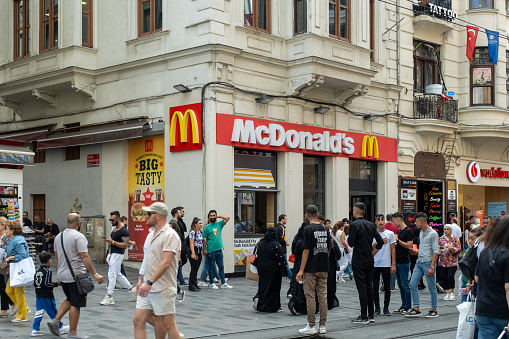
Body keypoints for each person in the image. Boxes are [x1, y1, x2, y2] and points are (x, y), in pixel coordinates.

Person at [48, 213, 104, 339]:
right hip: (76, 274)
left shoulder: (58, 236)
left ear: (67, 222)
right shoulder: (79, 237)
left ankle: (56, 320)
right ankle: (72, 332)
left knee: (70, 298)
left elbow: (56, 257)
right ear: (79, 223)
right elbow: (84, 256)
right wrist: (95, 274)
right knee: (76, 303)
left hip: (63, 274)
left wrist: (59, 274)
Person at [132, 202, 181, 339]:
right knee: (138, 320)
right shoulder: (151, 235)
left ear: (158, 216)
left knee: (168, 324)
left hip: (163, 287)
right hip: (148, 286)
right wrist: (141, 280)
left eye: (148, 214)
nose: (145, 217)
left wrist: (149, 282)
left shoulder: (170, 235)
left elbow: (166, 262)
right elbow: (147, 260)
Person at [295, 205, 330, 335]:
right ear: (318, 214)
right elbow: (327, 250)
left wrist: (301, 270)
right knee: (323, 296)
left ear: (306, 215)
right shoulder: (325, 229)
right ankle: (323, 325)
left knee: (310, 297)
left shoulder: (308, 229)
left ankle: (311, 325)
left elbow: (306, 250)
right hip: (323, 267)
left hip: (310, 267)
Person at [474, 216, 509, 338]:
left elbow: (477, 278)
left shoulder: (486, 251)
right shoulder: (507, 254)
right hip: (503, 311)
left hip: (484, 309)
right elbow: (508, 287)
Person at [348, 203, 383, 324]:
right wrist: (373, 251)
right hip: (369, 258)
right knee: (369, 286)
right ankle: (371, 314)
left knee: (361, 287)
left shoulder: (354, 225)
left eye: (353, 210)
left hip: (359, 259)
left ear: (357, 212)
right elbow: (380, 241)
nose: (352, 212)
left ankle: (364, 316)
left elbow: (351, 243)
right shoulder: (370, 224)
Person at [405, 212, 439, 318]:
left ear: (421, 221)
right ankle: (416, 308)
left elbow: (436, 251)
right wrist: (417, 252)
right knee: (412, 283)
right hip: (419, 262)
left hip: (428, 262)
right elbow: (425, 248)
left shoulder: (433, 233)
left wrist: (432, 267)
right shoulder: (421, 232)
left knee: (431, 286)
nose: (415, 223)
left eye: (416, 221)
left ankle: (433, 309)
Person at [100, 211, 137, 306]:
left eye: (112, 220)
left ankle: (109, 296)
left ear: (118, 219)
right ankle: (132, 290)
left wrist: (112, 242)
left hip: (118, 254)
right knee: (117, 274)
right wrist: (109, 254)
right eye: (110, 220)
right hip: (112, 254)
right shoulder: (114, 229)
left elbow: (125, 245)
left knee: (112, 274)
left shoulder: (124, 231)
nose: (111, 221)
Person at [31, 251, 70, 337]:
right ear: (49, 260)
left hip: (38, 294)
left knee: (39, 312)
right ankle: (59, 327)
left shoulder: (38, 271)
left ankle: (35, 329)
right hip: (47, 295)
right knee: (53, 311)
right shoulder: (47, 271)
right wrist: (57, 284)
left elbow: (36, 283)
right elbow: (47, 284)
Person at [253, 227, 287, 312]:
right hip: (274, 270)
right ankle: (273, 306)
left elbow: (255, 254)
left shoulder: (260, 243)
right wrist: (284, 271)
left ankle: (260, 299)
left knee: (263, 285)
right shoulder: (275, 244)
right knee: (274, 288)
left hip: (262, 268)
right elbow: (280, 258)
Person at [5, 221, 30, 322]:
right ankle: (24, 308)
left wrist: (11, 257)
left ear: (12, 230)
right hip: (16, 270)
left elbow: (22, 254)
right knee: (9, 290)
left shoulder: (17, 239)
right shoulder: (15, 239)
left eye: (6, 228)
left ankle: (22, 315)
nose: (5, 231)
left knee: (18, 292)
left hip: (18, 270)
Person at [372, 214, 396, 317]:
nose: (381, 222)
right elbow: (370, 248)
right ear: (376, 222)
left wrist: (393, 264)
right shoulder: (373, 234)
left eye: (382, 220)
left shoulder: (390, 233)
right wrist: (378, 242)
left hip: (386, 263)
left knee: (387, 287)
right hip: (375, 263)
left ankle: (386, 308)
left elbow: (393, 249)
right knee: (375, 287)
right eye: (378, 220)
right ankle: (376, 308)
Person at [203, 210, 233, 289]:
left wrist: (219, 216)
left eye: (214, 215)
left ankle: (223, 283)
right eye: (211, 216)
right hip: (211, 250)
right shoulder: (207, 227)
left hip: (219, 249)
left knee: (221, 267)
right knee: (211, 267)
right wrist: (204, 249)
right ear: (209, 217)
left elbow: (227, 218)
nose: (212, 217)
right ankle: (212, 283)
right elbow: (204, 239)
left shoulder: (219, 224)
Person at [392, 213, 413, 314]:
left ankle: (408, 305)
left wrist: (398, 240)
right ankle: (404, 304)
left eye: (394, 221)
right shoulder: (400, 231)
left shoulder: (407, 231)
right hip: (398, 261)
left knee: (405, 284)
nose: (393, 223)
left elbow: (409, 245)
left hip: (404, 261)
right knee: (400, 284)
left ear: (398, 220)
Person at [437, 224, 461, 301]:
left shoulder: (455, 239)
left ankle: (452, 293)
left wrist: (452, 249)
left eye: (448, 229)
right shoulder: (441, 239)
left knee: (450, 276)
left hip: (452, 261)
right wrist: (442, 251)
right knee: (444, 277)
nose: (446, 231)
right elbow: (437, 249)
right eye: (445, 229)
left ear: (451, 230)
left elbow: (458, 249)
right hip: (443, 261)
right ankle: (447, 293)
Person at [0, 217, 14, 318]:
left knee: (3, 286)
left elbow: (8, 250)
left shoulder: (7, 236)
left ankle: (12, 304)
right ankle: (4, 309)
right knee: (1, 287)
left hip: (4, 264)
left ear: (3, 225)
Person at [187, 217, 203, 292]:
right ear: (195, 224)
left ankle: (194, 284)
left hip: (199, 249)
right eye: (199, 223)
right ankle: (191, 285)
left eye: (201, 223)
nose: (201, 225)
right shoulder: (193, 232)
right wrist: (193, 253)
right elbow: (191, 243)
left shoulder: (200, 232)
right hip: (194, 249)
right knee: (193, 268)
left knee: (196, 268)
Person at [274, 214, 292, 281]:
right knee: (286, 265)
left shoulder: (275, 227)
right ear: (282, 219)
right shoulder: (282, 228)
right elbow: (281, 238)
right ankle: (292, 278)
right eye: (285, 219)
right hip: (282, 249)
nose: (286, 221)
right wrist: (286, 243)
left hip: (276, 249)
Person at [175, 206, 188, 286]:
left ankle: (177, 275)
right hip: (178, 244)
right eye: (181, 212)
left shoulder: (180, 221)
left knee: (183, 260)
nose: (183, 213)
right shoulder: (174, 222)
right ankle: (181, 279)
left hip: (182, 243)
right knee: (179, 262)